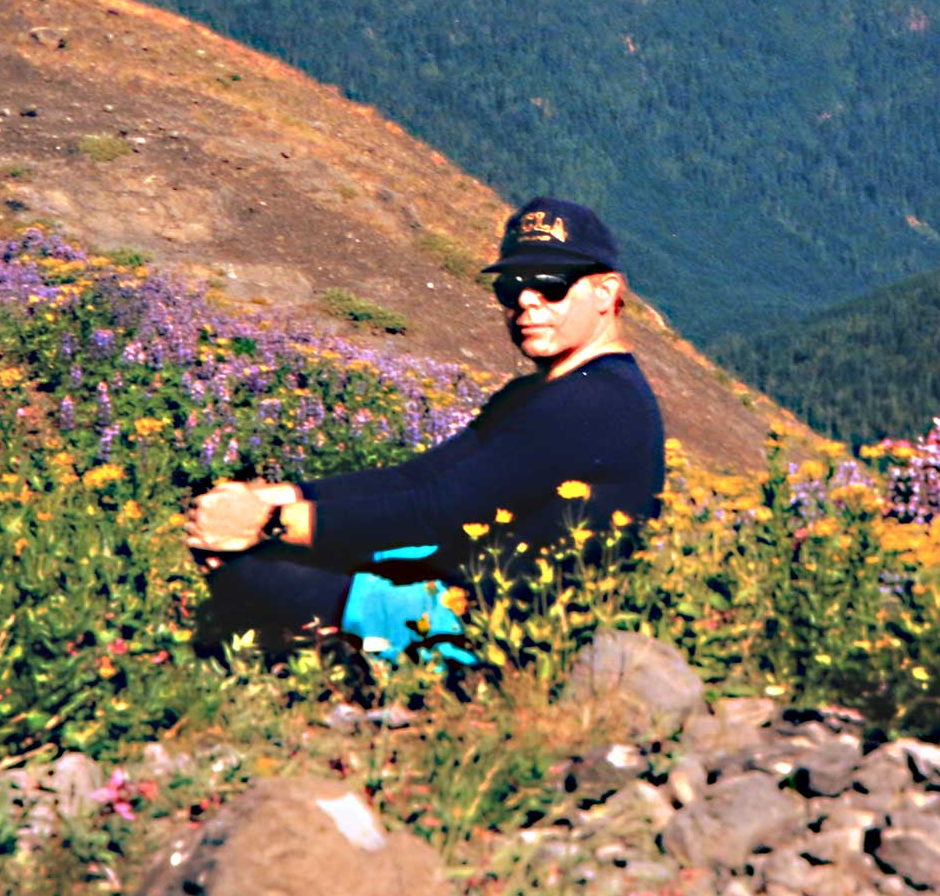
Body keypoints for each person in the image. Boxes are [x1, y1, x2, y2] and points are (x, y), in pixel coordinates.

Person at [186, 197, 665, 658]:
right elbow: (415, 478)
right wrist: (281, 496)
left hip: (497, 628)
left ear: (607, 293)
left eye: (551, 284)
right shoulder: (540, 393)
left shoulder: (596, 400)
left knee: (243, 565)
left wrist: (264, 525)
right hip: (469, 595)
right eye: (510, 286)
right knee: (252, 554)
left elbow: (436, 510)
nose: (525, 299)